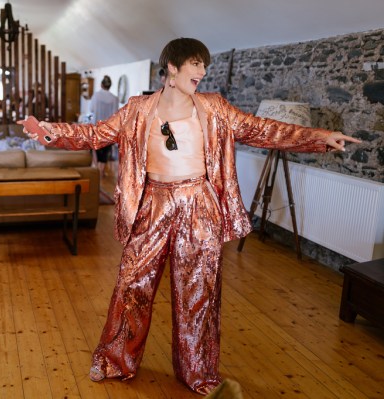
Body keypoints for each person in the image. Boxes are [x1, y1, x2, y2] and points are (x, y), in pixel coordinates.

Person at [18, 38, 360, 395]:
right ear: (172, 68)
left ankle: (197, 373)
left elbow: (262, 129)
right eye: (195, 64)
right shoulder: (138, 108)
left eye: (204, 65)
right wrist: (48, 131)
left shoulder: (214, 108)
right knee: (132, 285)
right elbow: (96, 134)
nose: (202, 71)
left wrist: (319, 137)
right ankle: (116, 360)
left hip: (199, 206)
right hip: (152, 205)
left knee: (198, 292)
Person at [89, 75, 119, 176]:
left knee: (96, 149)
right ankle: (101, 170)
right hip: (108, 128)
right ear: (109, 86)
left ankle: (97, 169)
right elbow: (115, 114)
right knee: (106, 150)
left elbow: (91, 109)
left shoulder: (96, 95)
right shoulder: (114, 98)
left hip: (97, 126)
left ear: (101, 84)